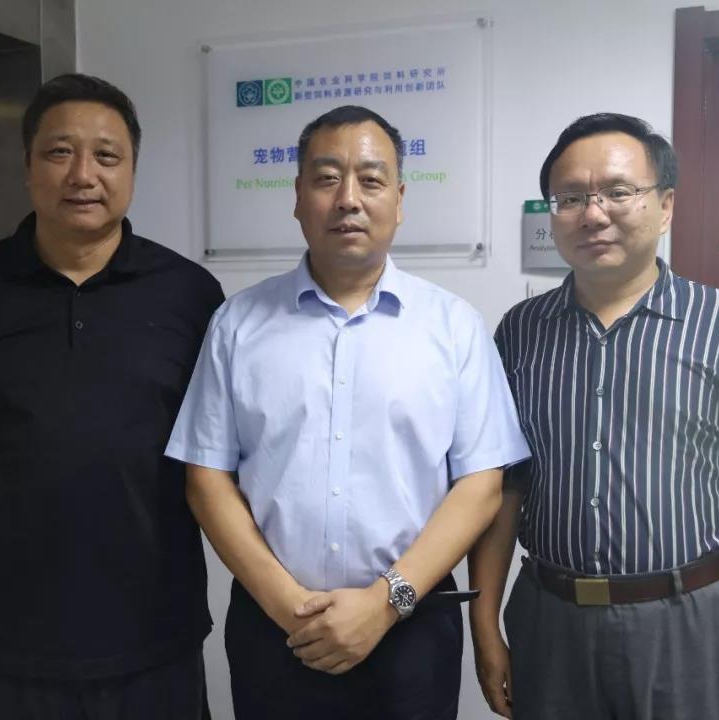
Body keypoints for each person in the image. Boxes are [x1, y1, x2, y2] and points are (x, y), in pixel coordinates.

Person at [164, 105, 530, 720]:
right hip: (276, 629)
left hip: (412, 626)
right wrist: (290, 609)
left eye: (371, 179)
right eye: (327, 178)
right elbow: (206, 479)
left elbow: (481, 485)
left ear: (400, 199)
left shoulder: (453, 327)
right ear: (298, 196)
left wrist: (386, 603)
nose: (348, 199)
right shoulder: (238, 324)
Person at [469, 112, 719, 720]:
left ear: (665, 207)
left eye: (618, 191)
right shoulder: (520, 332)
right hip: (550, 623)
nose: (593, 213)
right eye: (570, 198)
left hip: (691, 621)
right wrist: (485, 627)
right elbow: (504, 490)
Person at [0, 73, 223, 719]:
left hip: (154, 631)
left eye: (107, 155)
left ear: (131, 171)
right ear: (27, 166)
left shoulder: (191, 294)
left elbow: (212, 455)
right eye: (59, 152)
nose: (83, 174)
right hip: (5, 637)